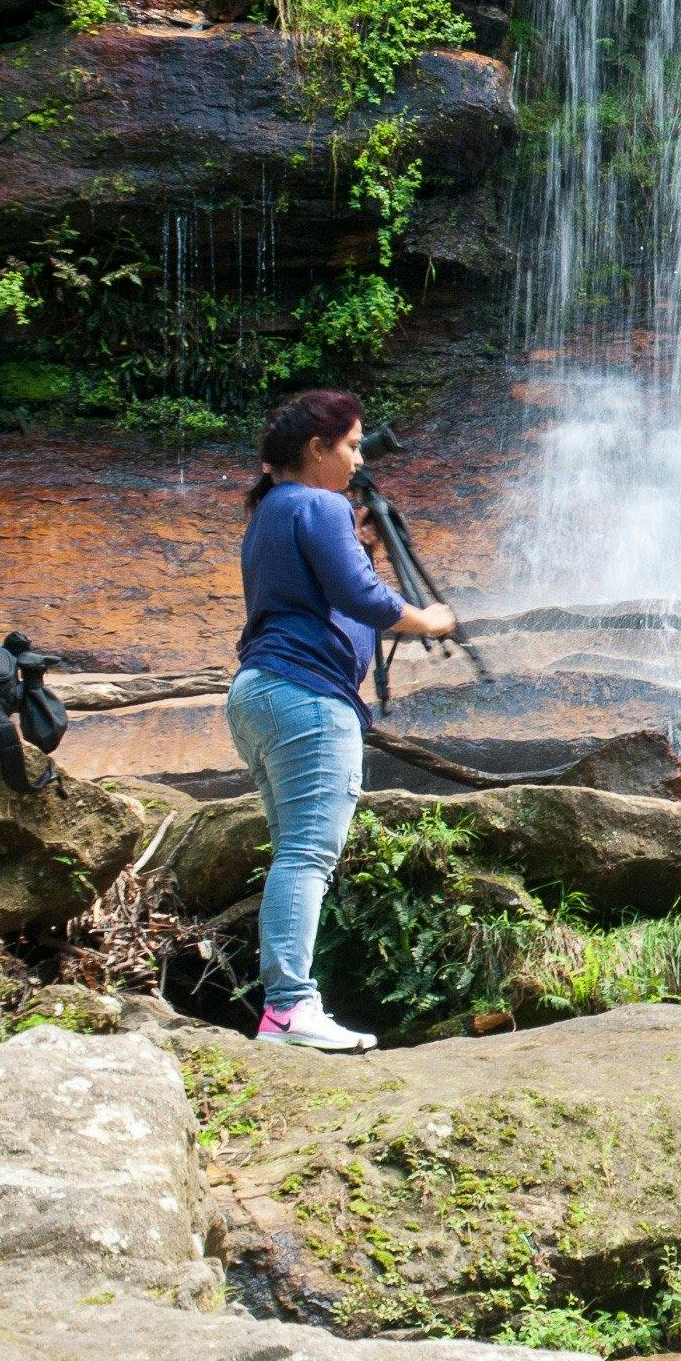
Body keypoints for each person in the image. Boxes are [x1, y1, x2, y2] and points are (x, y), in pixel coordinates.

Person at [231, 390, 457, 1053]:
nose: (359, 460)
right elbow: (360, 597)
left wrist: (355, 548)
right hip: (307, 696)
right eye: (352, 446)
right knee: (308, 854)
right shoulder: (321, 505)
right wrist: (427, 619)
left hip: (259, 693)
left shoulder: (272, 511)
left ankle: (283, 1009)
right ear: (316, 449)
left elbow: (323, 594)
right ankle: (290, 1009)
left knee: (293, 851)